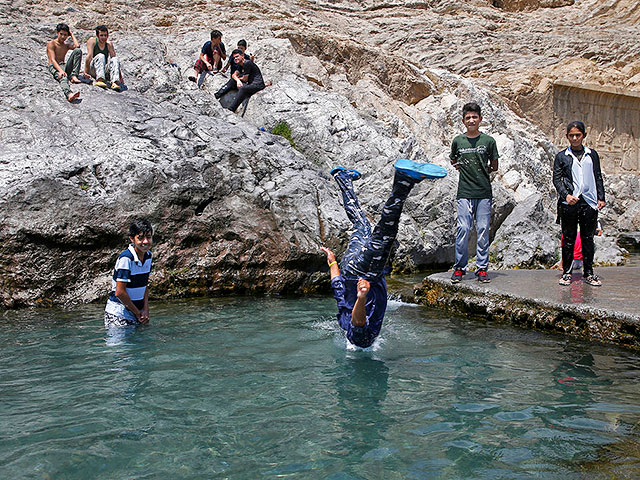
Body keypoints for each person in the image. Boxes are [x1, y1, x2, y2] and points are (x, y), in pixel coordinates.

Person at [321, 159, 446, 348]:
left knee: (385, 234)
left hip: (365, 272)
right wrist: (332, 261)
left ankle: (403, 181)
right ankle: (343, 179)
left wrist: (362, 297)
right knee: (362, 226)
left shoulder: (360, 340)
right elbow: (336, 284)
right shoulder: (342, 316)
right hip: (348, 266)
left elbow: (359, 323)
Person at [449, 102, 499, 284]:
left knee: (483, 229)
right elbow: (453, 160)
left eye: (474, 117)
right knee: (463, 228)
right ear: (463, 120)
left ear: (480, 119)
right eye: (468, 117)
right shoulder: (458, 141)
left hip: (484, 192)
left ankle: (482, 268)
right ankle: (460, 268)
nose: (471, 120)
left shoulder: (488, 141)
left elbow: (494, 165)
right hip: (464, 192)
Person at [553, 120, 606, 286]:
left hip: (588, 201)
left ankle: (588, 273)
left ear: (584, 135)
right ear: (567, 137)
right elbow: (557, 179)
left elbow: (597, 175)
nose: (575, 138)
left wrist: (601, 197)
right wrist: (566, 195)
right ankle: (567, 272)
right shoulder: (562, 156)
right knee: (568, 237)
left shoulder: (592, 154)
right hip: (570, 201)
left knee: (587, 238)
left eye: (578, 135)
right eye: (571, 135)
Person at [104, 218, 153, 328]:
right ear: (132, 239)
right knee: (122, 346)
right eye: (140, 238)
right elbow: (119, 292)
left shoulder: (148, 256)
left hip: (138, 312)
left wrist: (145, 310)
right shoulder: (126, 258)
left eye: (148, 237)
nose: (145, 241)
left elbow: (145, 285)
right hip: (119, 313)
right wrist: (137, 313)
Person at [46, 23, 82, 102]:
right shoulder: (51, 44)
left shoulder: (65, 45)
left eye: (65, 35)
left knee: (78, 51)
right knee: (63, 77)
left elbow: (77, 46)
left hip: (64, 65)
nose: (63, 37)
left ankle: (74, 76)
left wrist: (71, 34)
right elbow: (52, 60)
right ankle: (69, 94)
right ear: (57, 33)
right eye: (61, 34)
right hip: (54, 66)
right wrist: (60, 71)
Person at [84, 25, 122, 91]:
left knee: (115, 59)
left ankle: (115, 82)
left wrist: (120, 77)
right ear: (97, 35)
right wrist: (86, 73)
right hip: (94, 68)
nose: (104, 37)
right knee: (101, 55)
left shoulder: (109, 44)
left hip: (104, 69)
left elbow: (114, 61)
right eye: (101, 35)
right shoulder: (92, 41)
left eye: (105, 35)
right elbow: (89, 57)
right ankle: (100, 80)